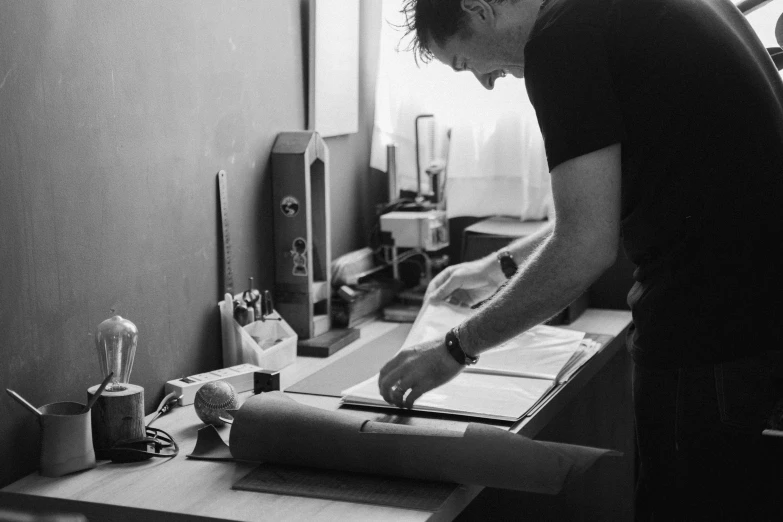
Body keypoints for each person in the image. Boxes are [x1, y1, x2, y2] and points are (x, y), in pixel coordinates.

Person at [377, 0, 783, 519]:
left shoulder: (559, 41)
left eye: (464, 63)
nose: (483, 82)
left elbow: (586, 247)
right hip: (762, 309)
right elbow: (604, 206)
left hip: (708, 326)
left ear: (479, 10)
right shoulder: (610, 15)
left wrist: (454, 349)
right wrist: (498, 265)